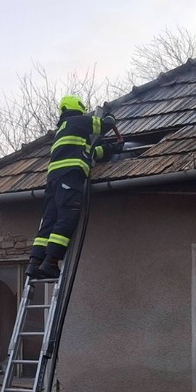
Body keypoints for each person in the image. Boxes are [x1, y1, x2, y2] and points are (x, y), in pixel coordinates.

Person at [26, 95, 121, 280]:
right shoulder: (77, 121)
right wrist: (111, 119)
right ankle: (51, 262)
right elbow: (102, 126)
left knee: (49, 221)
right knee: (67, 217)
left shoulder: (63, 130)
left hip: (54, 180)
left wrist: (111, 149)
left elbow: (89, 152)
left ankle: (34, 263)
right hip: (69, 177)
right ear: (78, 107)